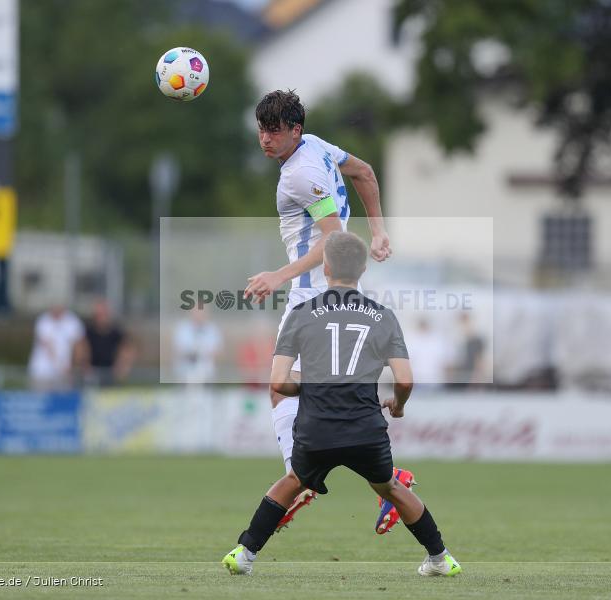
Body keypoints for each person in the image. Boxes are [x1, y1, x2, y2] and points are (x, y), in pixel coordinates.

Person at [223, 232, 461, 577]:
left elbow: (278, 382)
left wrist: (311, 387)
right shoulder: (384, 316)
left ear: (325, 265)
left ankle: (244, 555)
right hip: (366, 428)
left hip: (316, 429)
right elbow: (405, 380)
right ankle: (440, 559)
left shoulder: (302, 314)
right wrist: (399, 405)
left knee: (293, 481)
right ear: (363, 268)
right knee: (391, 488)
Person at [242, 89, 408, 532]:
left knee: (281, 389)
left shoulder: (301, 172)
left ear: (294, 129)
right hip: (336, 287)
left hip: (310, 294)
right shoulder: (317, 145)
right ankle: (393, 483)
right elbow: (366, 173)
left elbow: (332, 239)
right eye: (262, 128)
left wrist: (279, 275)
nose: (266, 138)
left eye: (275, 130)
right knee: (331, 391)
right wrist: (378, 232)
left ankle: (299, 481)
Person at [27, 304, 85, 391]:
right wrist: (62, 366)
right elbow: (49, 348)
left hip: (64, 374)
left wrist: (75, 366)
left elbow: (79, 346)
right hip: (42, 373)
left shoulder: (73, 321)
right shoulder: (43, 321)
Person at [81, 299, 135, 386]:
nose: (101, 318)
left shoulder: (117, 331)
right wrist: (85, 365)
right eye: (98, 315)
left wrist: (122, 366)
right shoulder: (88, 331)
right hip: (92, 372)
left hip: (111, 372)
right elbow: (83, 348)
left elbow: (127, 349)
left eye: (103, 314)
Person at [172, 305, 222, 385]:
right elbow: (178, 349)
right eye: (196, 311)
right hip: (185, 372)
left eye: (201, 312)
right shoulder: (182, 328)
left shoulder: (212, 329)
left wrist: (202, 353)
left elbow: (217, 352)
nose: (198, 314)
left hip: (206, 373)